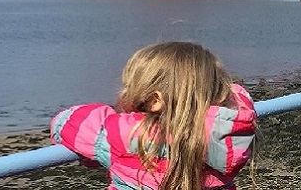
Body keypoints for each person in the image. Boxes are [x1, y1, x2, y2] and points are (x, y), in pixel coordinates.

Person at [50, 41, 257, 189]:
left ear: (155, 101)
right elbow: (239, 97)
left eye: (129, 86)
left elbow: (66, 123)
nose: (124, 92)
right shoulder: (230, 133)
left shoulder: (127, 134)